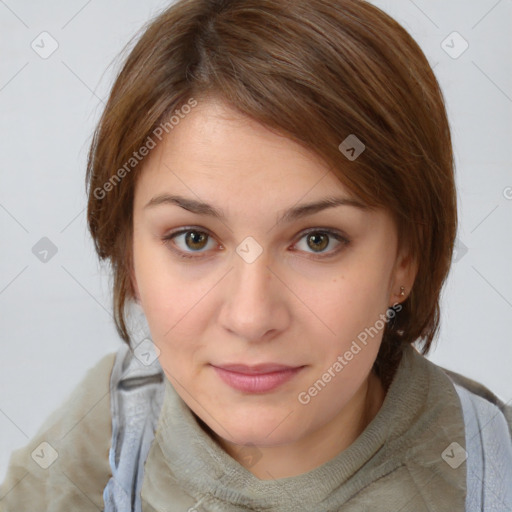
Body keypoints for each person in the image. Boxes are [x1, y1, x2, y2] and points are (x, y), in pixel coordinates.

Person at [1, 0, 511, 510]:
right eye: (194, 238)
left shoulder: (491, 471)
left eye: (318, 240)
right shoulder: (104, 429)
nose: (251, 317)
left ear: (406, 259)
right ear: (128, 254)